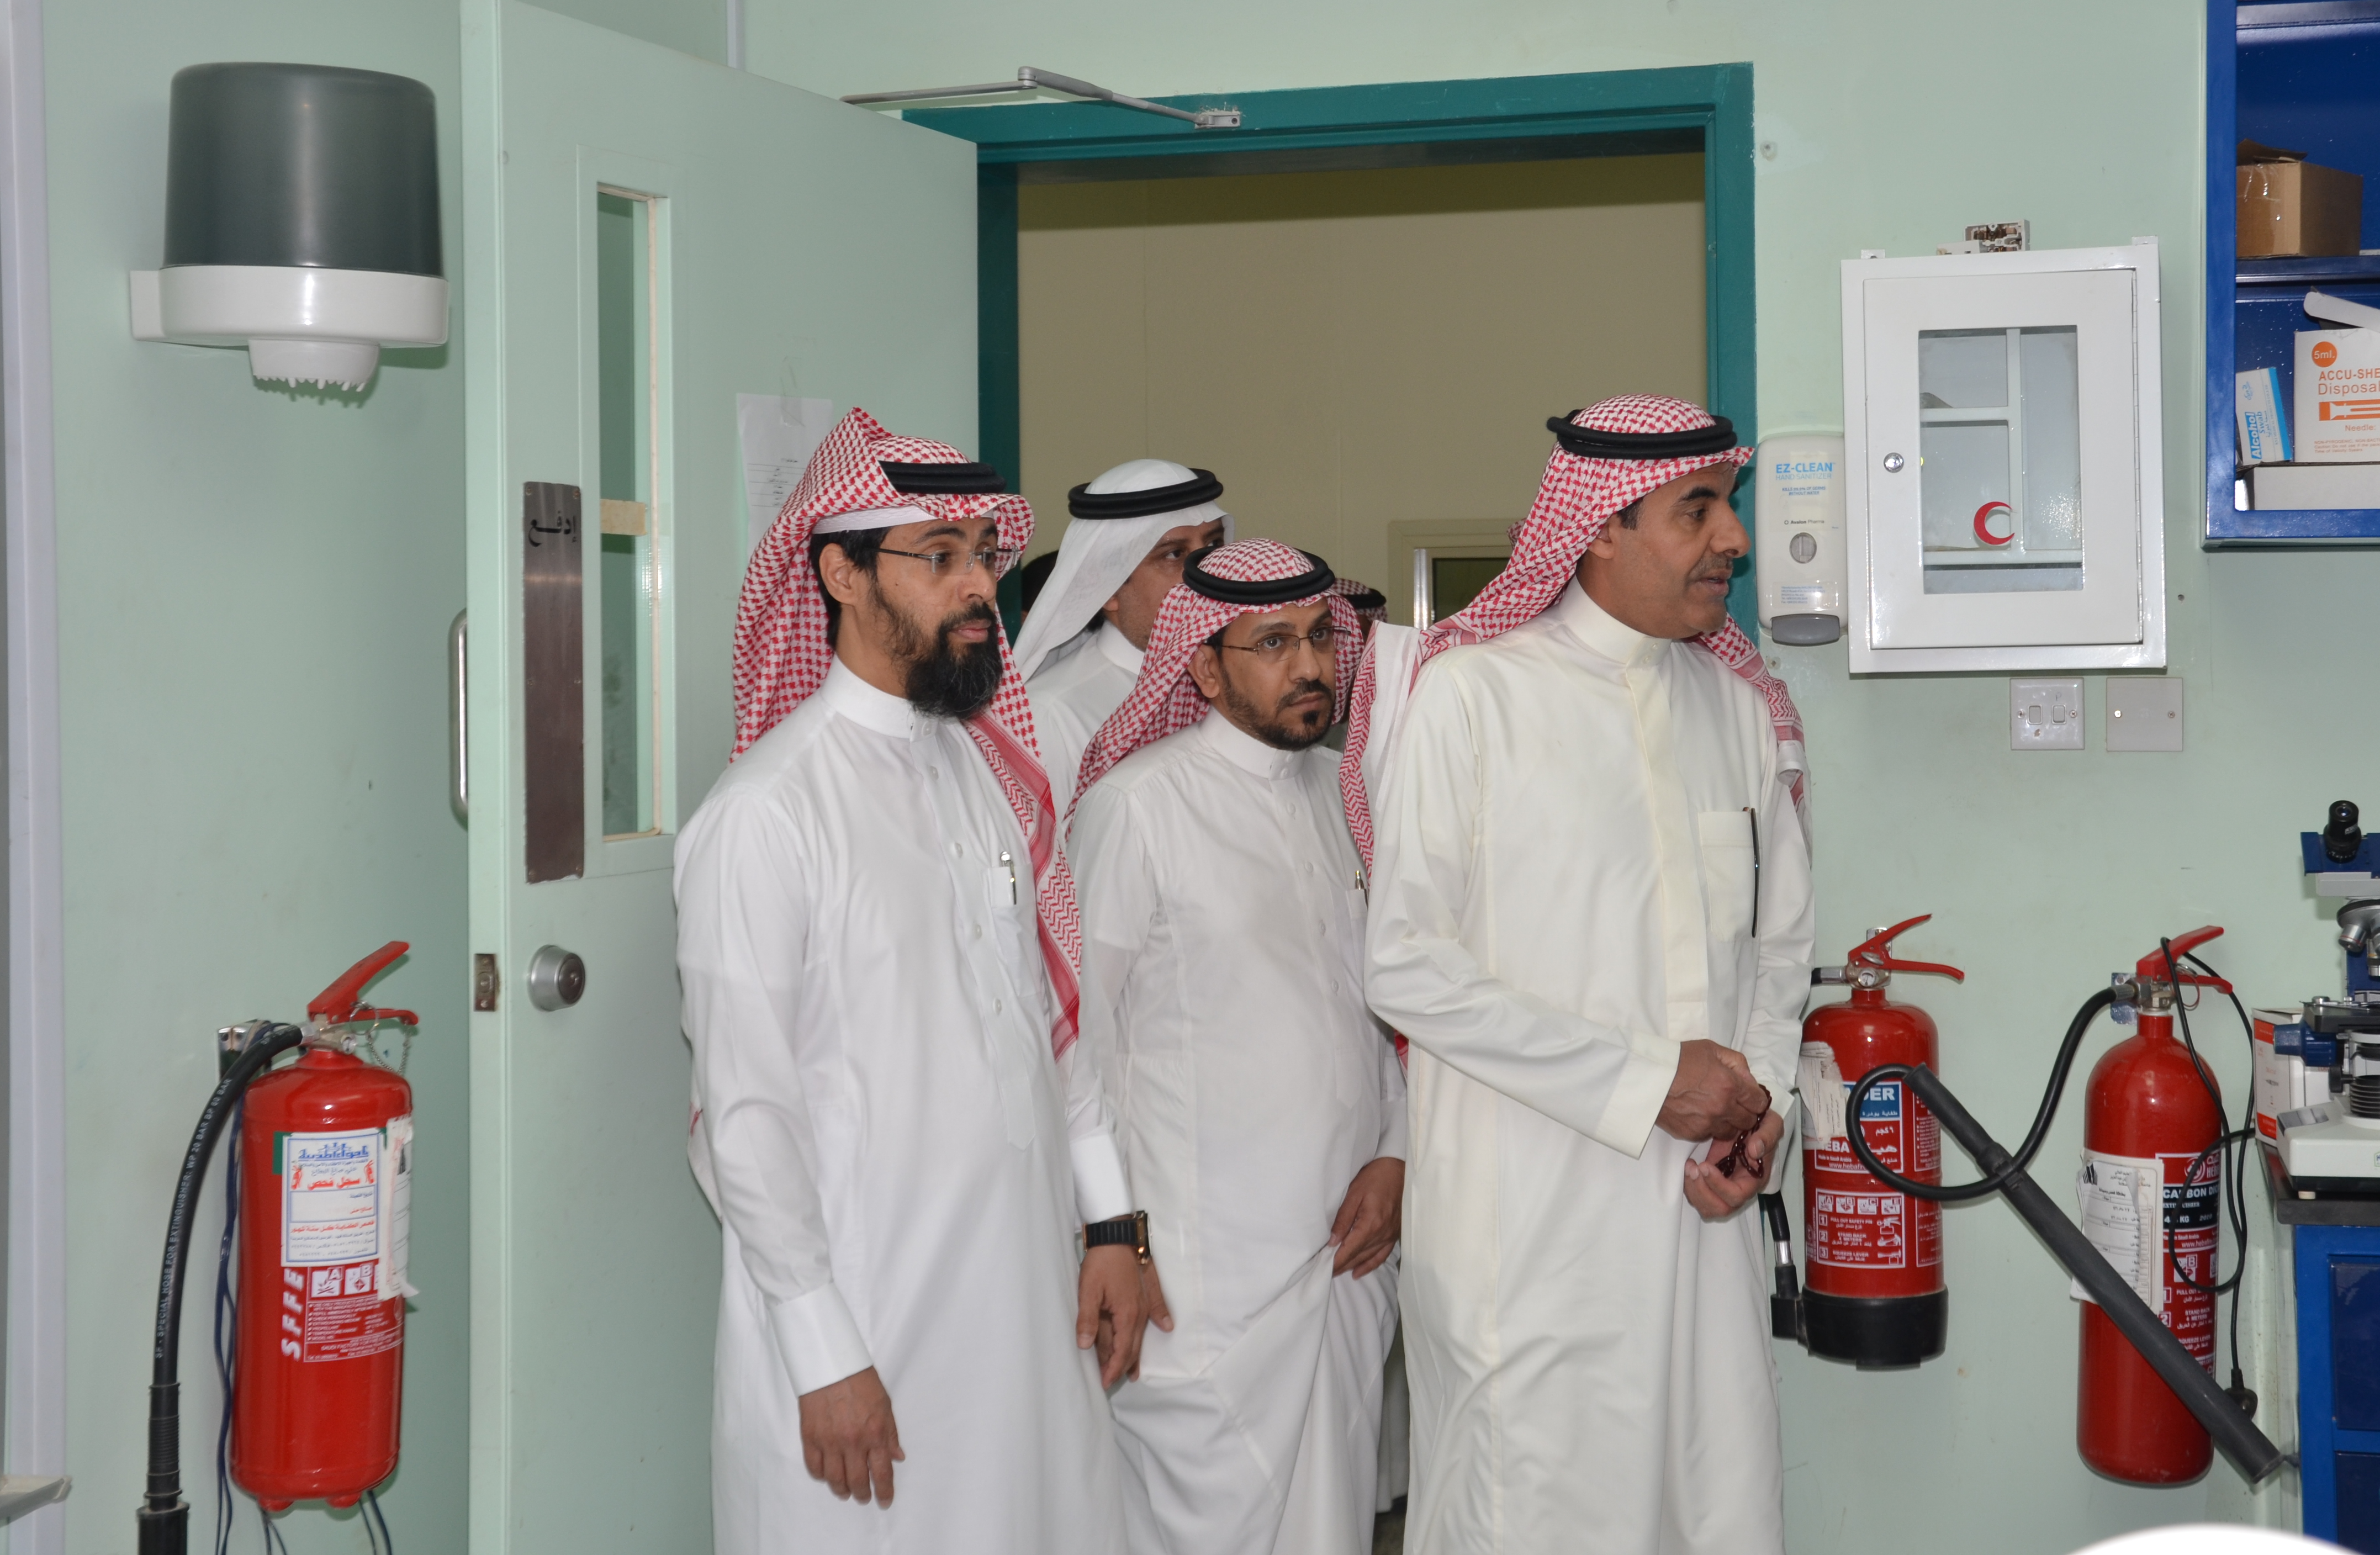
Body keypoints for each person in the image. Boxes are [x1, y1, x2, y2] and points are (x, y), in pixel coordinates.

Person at [675, 408, 1157, 1554]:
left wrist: (1111, 1224)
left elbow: (1048, 1022)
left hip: (1021, 1306)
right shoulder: (765, 814)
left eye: (983, 553)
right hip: (869, 1318)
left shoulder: (985, 773)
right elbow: (746, 1117)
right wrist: (820, 1347)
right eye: (939, 556)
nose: (980, 585)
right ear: (840, 574)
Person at [1345, 395, 1816, 1555]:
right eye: (1696, 510)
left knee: (1710, 1511)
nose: (1733, 539)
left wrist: (1761, 1111)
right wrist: (1646, 1082)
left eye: (1729, 507)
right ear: (1599, 525)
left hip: (1702, 1217)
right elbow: (1404, 963)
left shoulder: (1734, 711)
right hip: (1531, 1230)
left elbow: (1778, 947)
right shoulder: (1473, 698)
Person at [1068, 541, 1405, 1555]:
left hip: (1342, 1262)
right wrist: (1113, 1236)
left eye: (1319, 639)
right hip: (1200, 1284)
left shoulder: (1343, 793)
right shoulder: (1138, 806)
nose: (1309, 666)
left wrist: (1397, 1154)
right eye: (1272, 644)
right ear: (1206, 669)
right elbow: (1074, 1044)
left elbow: (1388, 1005)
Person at [1012, 458, 1230, 792]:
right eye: (1174, 555)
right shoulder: (1049, 719)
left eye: (1214, 545)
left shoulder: (1244, 680)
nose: (1208, 571)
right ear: (1107, 589)